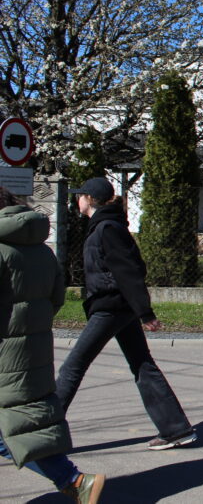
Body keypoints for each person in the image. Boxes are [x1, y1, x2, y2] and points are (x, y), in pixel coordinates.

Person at [56, 178, 196, 451]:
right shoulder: (106, 225)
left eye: (80, 196)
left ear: (90, 199)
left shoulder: (107, 228)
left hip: (111, 307)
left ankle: (43, 431)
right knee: (142, 364)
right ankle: (176, 429)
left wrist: (145, 312)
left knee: (73, 366)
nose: (76, 200)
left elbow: (129, 270)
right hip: (118, 306)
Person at [0, 186, 105, 502]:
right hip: (31, 350)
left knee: (7, 433)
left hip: (4, 352)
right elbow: (56, 299)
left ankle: (74, 480)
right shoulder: (42, 250)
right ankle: (74, 481)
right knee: (12, 428)